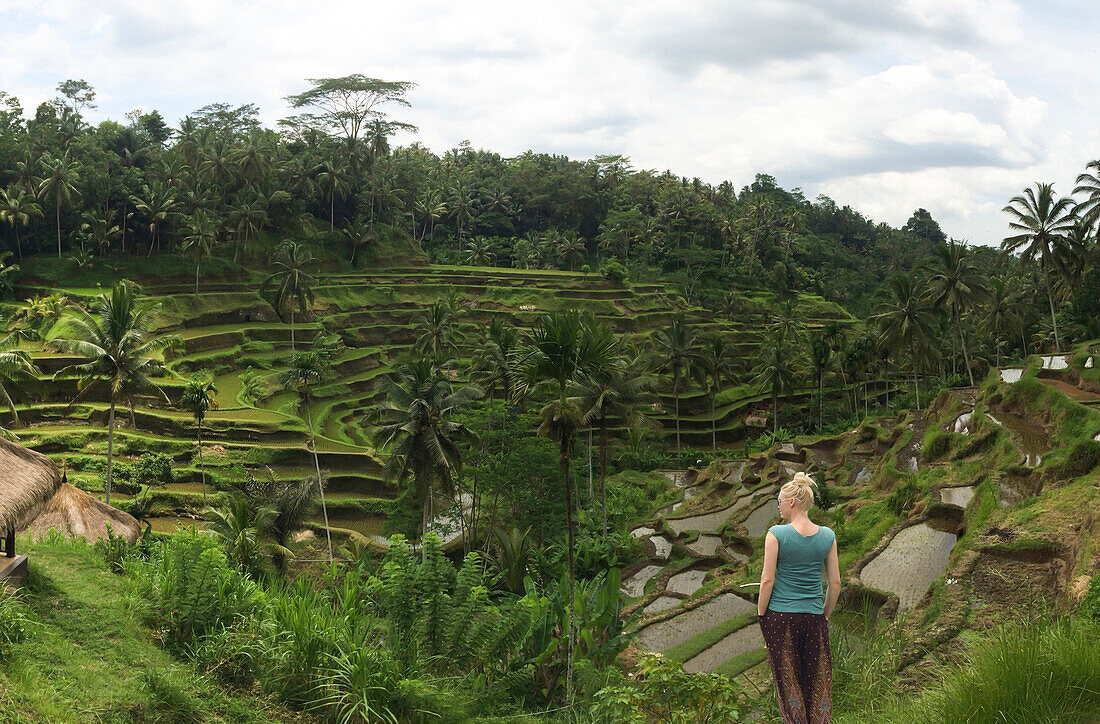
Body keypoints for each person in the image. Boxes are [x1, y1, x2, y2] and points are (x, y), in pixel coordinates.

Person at [757, 471, 841, 724]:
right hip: (814, 617)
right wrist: (824, 613)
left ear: (792, 502)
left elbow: (767, 580)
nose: (779, 505)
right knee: (816, 681)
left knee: (789, 683)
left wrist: (761, 614)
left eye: (780, 501)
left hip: (780, 619)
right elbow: (835, 583)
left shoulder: (776, 534)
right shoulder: (828, 536)